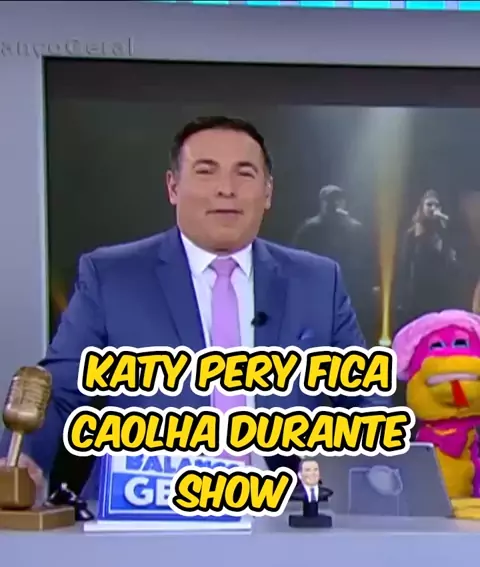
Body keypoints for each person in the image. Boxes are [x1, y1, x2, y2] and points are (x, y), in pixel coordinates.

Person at [0, 115, 377, 495]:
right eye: (206, 171)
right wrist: (23, 460)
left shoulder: (318, 281)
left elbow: (364, 400)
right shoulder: (111, 277)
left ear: (267, 192)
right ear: (173, 186)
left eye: (244, 173)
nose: (226, 189)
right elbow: (60, 394)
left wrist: (384, 475)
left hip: (285, 511)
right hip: (149, 510)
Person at [292, 185, 375, 344]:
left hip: (350, 289)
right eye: (330, 200)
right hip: (318, 291)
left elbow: (367, 258)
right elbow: (296, 259)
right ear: (322, 203)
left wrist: (369, 285)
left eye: (338, 199)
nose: (334, 204)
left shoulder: (355, 228)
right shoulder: (309, 229)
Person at [397, 190, 460, 327]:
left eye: (436, 205)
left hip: (439, 293)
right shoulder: (412, 234)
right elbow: (404, 265)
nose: (433, 208)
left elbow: (452, 262)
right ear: (422, 207)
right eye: (429, 204)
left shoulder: (443, 232)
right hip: (417, 295)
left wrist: (446, 233)